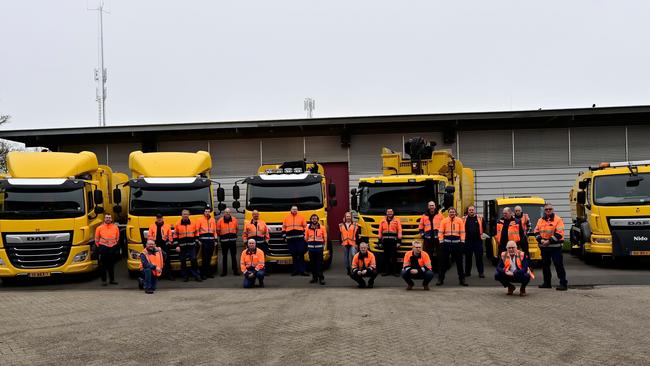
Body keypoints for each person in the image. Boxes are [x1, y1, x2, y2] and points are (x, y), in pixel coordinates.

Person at [534, 203, 568, 291]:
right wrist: (541, 240)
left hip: (555, 247)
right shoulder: (540, 220)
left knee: (558, 265)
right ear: (544, 211)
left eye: (550, 209)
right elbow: (536, 232)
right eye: (546, 209)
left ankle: (563, 284)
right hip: (544, 247)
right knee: (545, 266)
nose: (548, 211)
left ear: (553, 210)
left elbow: (559, 234)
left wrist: (548, 241)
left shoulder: (558, 220)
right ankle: (547, 283)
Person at [438, 207, 467, 286]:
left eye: (453, 212)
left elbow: (463, 232)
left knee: (459, 263)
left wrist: (462, 242)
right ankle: (440, 279)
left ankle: (462, 280)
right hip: (446, 244)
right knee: (443, 263)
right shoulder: (444, 221)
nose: (452, 213)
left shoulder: (459, 220)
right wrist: (441, 242)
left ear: (455, 213)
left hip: (457, 244)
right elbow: (440, 232)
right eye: (450, 212)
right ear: (448, 213)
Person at [174, 209, 202, 282]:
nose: (185, 215)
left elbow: (196, 233)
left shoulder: (193, 223)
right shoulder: (177, 224)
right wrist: (177, 246)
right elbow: (175, 236)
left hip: (191, 246)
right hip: (182, 246)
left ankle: (197, 275)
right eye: (184, 214)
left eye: (187, 214)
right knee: (183, 261)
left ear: (189, 215)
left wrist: (196, 240)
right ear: (181, 215)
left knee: (193, 260)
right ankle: (185, 276)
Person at [95, 213, 120, 286]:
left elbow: (117, 237)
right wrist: (99, 247)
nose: (108, 219)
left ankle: (112, 280)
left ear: (111, 219)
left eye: (109, 217)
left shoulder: (115, 227)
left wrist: (115, 246)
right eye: (106, 217)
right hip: (103, 247)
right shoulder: (99, 228)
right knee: (103, 265)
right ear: (104, 219)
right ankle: (104, 281)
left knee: (111, 265)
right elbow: (96, 239)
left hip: (112, 247)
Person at [282, 206, 308, 276]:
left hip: (300, 239)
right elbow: (283, 228)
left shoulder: (301, 217)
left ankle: (303, 271)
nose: (294, 210)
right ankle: (295, 270)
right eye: (293, 209)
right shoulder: (286, 218)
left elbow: (305, 227)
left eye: (296, 209)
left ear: (297, 210)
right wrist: (284, 237)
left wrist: (305, 237)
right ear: (290, 210)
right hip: (290, 240)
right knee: (294, 255)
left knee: (301, 254)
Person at [147, 213, 174, 280]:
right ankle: (158, 275)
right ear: (156, 218)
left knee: (167, 260)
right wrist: (151, 244)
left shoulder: (167, 226)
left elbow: (170, 235)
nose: (159, 219)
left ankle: (169, 275)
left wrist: (170, 242)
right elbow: (149, 236)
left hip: (164, 245)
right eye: (158, 218)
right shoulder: (152, 226)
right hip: (155, 245)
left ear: (162, 218)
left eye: (160, 218)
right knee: (157, 261)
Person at [463, 206, 488, 278]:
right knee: (468, 258)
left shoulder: (480, 218)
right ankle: (467, 272)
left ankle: (481, 273)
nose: (471, 211)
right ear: (468, 211)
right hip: (467, 241)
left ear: (475, 211)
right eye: (470, 210)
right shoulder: (464, 219)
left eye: (472, 210)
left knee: (479, 258)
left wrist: (483, 235)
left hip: (478, 241)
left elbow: (484, 228)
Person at [379, 208, 402, 277]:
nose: (389, 213)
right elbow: (380, 231)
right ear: (386, 213)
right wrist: (379, 241)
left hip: (393, 241)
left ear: (393, 212)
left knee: (394, 257)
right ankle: (386, 271)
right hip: (385, 241)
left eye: (391, 212)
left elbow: (399, 231)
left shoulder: (397, 220)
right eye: (388, 212)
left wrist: (399, 241)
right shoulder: (382, 221)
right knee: (386, 257)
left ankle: (394, 272)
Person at [216, 208, 239, 277]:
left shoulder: (234, 219)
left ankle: (235, 271)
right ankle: (224, 271)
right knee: (224, 256)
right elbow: (218, 231)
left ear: (230, 213)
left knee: (233, 256)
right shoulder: (220, 221)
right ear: (224, 213)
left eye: (228, 212)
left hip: (232, 241)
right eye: (226, 212)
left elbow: (236, 229)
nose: (227, 213)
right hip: (224, 242)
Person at [306, 214, 327, 285]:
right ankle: (314, 278)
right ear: (311, 220)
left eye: (315, 218)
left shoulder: (322, 227)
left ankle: (321, 278)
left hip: (319, 249)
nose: (314, 220)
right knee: (312, 264)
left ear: (317, 219)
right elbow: (306, 238)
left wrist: (324, 247)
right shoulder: (307, 228)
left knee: (320, 264)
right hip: (311, 249)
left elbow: (325, 238)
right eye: (313, 218)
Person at [196, 207, 217, 279]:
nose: (207, 213)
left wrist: (216, 240)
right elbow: (197, 230)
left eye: (208, 211)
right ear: (204, 212)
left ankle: (208, 273)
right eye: (206, 211)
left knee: (209, 258)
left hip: (211, 241)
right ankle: (203, 274)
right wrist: (198, 240)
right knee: (204, 258)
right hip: (203, 242)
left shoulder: (213, 220)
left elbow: (214, 231)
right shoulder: (200, 220)